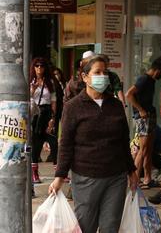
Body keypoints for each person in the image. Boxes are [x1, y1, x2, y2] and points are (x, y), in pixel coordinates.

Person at [48, 55, 138, 233]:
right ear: (85, 77)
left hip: (116, 177)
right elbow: (66, 144)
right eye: (97, 72)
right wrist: (60, 176)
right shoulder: (73, 107)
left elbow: (123, 141)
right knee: (85, 226)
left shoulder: (115, 105)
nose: (102, 76)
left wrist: (132, 170)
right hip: (86, 177)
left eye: (105, 72)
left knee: (110, 227)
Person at [126, 56, 161, 189]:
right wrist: (140, 110)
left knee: (149, 149)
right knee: (142, 148)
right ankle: (134, 178)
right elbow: (129, 94)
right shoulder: (143, 79)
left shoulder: (151, 81)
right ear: (157, 70)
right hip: (143, 117)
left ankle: (147, 178)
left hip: (150, 115)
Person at [29, 57, 58, 183]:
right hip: (35, 114)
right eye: (37, 66)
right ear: (33, 67)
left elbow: (53, 100)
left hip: (47, 113)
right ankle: (34, 173)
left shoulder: (49, 82)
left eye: (42, 66)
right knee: (36, 145)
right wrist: (33, 90)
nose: (39, 68)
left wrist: (52, 118)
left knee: (54, 142)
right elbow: (26, 98)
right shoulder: (31, 81)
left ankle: (59, 173)